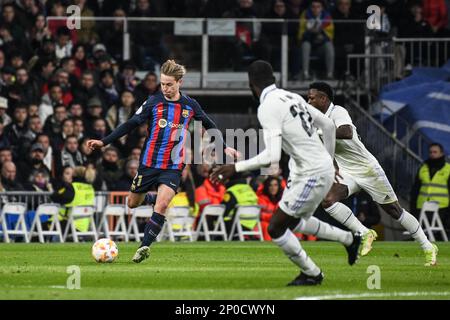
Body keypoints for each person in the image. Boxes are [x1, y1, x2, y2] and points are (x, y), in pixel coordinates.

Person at [211, 60, 361, 286]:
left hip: (311, 172)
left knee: (276, 227)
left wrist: (235, 167)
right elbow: (329, 127)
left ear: (251, 85)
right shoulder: (291, 97)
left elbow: (271, 156)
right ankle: (348, 239)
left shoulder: (267, 107)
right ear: (273, 79)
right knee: (294, 222)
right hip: (312, 169)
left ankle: (312, 273)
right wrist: (329, 162)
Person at [87, 60, 238, 263]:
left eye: (169, 84)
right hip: (148, 164)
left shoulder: (190, 105)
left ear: (179, 82)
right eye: (162, 84)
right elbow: (130, 123)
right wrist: (104, 142)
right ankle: (150, 198)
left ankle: (144, 246)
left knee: (163, 205)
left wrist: (224, 146)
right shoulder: (153, 102)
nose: (165, 88)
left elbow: (210, 125)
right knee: (132, 203)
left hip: (173, 166)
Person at [307, 82, 438, 266]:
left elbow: (346, 131)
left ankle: (428, 246)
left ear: (323, 99)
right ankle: (364, 232)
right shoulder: (315, 119)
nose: (309, 101)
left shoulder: (337, 111)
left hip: (368, 169)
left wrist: (321, 132)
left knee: (395, 211)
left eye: (312, 97)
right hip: (346, 171)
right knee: (328, 200)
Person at [411, 143, 450, 237]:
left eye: (435, 152)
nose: (432, 154)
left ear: (441, 153)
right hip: (422, 205)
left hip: (442, 207)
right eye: (430, 152)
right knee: (424, 235)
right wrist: (413, 205)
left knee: (440, 234)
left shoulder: (448, 168)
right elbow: (416, 188)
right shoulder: (423, 168)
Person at [258, 176, 283, 241]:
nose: (273, 188)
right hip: (263, 224)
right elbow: (260, 215)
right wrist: (274, 217)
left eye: (275, 185)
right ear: (267, 187)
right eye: (270, 185)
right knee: (267, 226)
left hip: (277, 223)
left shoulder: (282, 199)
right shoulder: (261, 199)